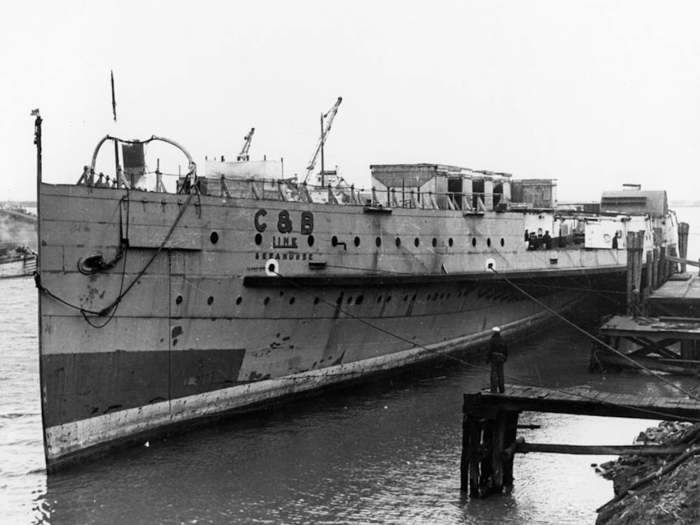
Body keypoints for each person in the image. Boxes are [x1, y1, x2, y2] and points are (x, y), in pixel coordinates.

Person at [487, 327, 508, 393]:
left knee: (494, 374)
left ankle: (494, 389)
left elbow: (489, 350)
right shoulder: (503, 340)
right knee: (500, 374)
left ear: (494, 332)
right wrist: (505, 358)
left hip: (494, 358)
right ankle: (502, 389)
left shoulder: (492, 340)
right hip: (501, 358)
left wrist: (487, 358)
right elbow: (506, 351)